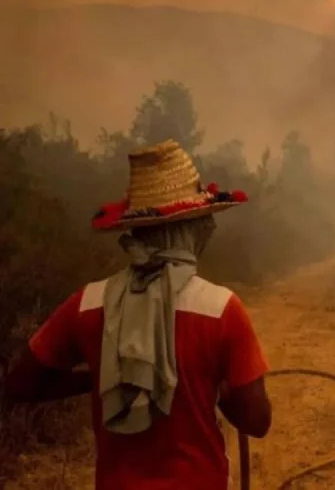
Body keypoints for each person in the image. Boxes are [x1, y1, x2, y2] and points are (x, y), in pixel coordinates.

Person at [4, 139, 272, 490]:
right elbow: (256, 421)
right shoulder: (222, 309)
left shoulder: (87, 303)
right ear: (190, 229)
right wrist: (218, 389)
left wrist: (105, 375)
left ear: (136, 230)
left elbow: (19, 384)